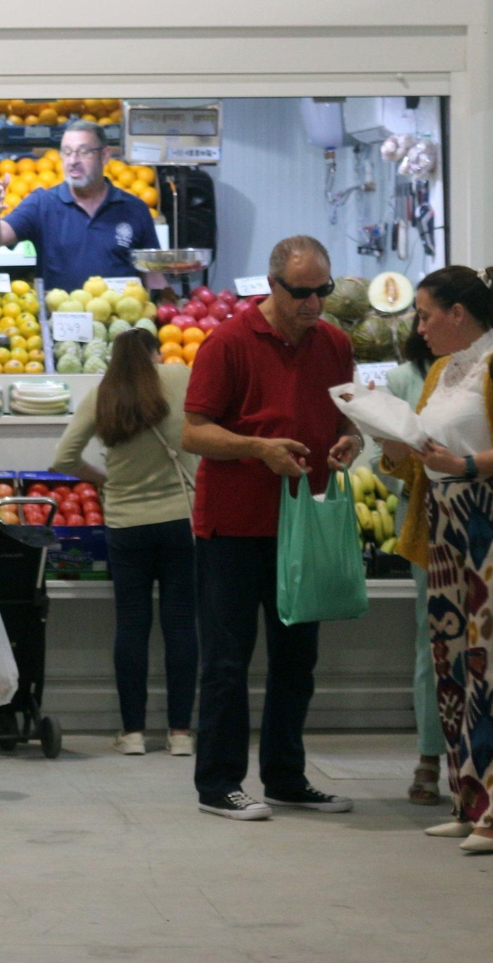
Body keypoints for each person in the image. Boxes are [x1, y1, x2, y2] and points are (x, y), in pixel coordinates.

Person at [180, 235, 361, 821]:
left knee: (295, 661)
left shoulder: (335, 344)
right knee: (228, 661)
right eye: (302, 292)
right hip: (234, 528)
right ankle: (219, 784)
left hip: (302, 524)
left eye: (323, 291)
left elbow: (347, 418)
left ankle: (285, 776)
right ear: (272, 284)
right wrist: (258, 448)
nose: (314, 304)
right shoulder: (228, 343)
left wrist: (349, 442)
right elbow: (194, 432)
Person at [377, 265, 493, 852]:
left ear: (458, 314)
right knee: (451, 665)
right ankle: (469, 803)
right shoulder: (440, 369)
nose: (420, 325)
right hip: (442, 524)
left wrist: (464, 466)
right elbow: (419, 458)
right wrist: (387, 443)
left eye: (426, 313)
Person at [53, 327, 198, 757]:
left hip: (126, 525)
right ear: (156, 353)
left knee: (132, 626)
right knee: (180, 626)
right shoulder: (180, 377)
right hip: (180, 522)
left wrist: (106, 479)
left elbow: (62, 458)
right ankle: (180, 734)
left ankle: (133, 733)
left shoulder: (102, 395)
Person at [363, 330, 441, 805]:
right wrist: (407, 476)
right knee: (432, 639)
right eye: (421, 315)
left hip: (492, 522)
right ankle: (429, 755)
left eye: (430, 313)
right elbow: (379, 456)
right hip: (426, 524)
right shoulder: (401, 378)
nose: (422, 324)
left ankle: (490, 760)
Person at [0, 119, 160, 294]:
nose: (73, 161)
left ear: (104, 156)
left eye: (83, 152)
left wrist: (166, 307)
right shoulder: (41, 204)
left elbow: (153, 274)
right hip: (60, 322)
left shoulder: (134, 209)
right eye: (67, 152)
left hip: (122, 323)